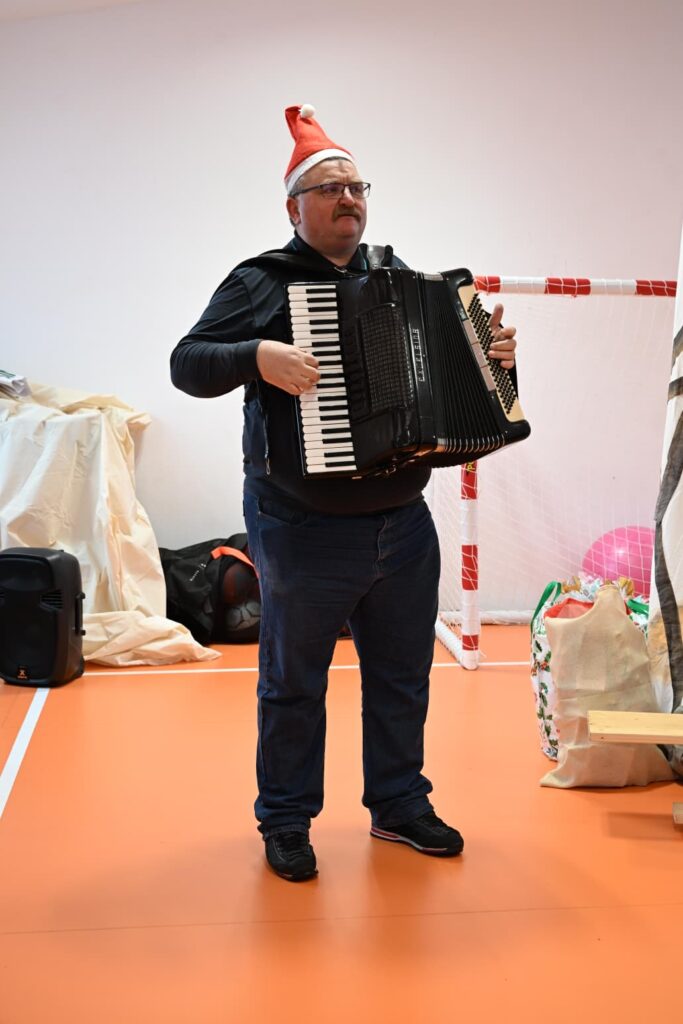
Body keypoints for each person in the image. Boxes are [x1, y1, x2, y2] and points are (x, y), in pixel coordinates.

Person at [170, 105, 518, 882]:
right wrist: (255, 355)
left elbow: (457, 388)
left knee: (402, 675)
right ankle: (286, 820)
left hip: (402, 521)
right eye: (329, 188)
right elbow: (186, 363)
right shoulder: (260, 281)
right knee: (293, 684)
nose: (347, 199)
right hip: (301, 524)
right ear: (293, 208)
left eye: (356, 187)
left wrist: (496, 363)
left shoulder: (400, 278)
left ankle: (398, 804)